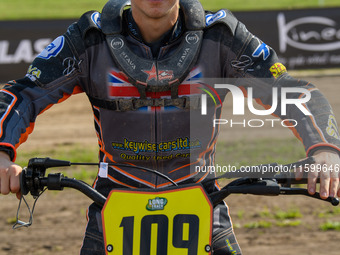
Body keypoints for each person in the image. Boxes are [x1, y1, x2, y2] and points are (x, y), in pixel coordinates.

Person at [0, 0, 339, 254]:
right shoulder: (88, 40)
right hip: (111, 207)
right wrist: (2, 152)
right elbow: (24, 93)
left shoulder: (221, 36)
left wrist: (324, 149)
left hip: (204, 205)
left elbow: (290, 91)